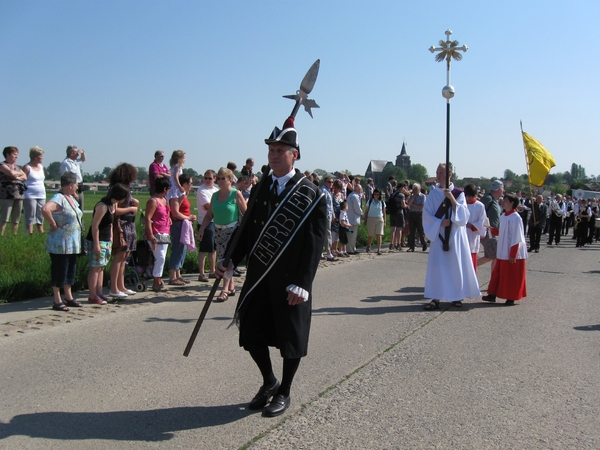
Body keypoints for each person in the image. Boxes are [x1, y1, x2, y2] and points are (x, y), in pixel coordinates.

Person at [216, 116, 326, 418]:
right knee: (251, 332)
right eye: (272, 150)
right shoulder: (262, 185)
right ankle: (269, 381)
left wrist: (303, 282)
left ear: (295, 155)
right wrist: (229, 260)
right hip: (260, 273)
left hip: (291, 279)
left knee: (290, 338)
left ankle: (285, 391)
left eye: (281, 150)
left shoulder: (311, 193)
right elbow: (248, 229)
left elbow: (315, 243)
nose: (275, 155)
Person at [422, 163, 480, 310]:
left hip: (455, 235)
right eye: (437, 172)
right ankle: (436, 297)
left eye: (441, 172)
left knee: (455, 265)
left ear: (449, 175)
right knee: (438, 267)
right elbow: (427, 215)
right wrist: (440, 222)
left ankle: (457, 296)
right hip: (439, 235)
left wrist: (451, 199)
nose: (438, 175)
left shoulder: (458, 193)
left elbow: (463, 216)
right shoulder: (433, 194)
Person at [198, 168, 247, 301]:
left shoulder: (236, 194)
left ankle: (224, 290)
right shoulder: (215, 195)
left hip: (232, 231)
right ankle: (231, 287)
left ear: (230, 180)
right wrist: (202, 229)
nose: (219, 181)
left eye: (222, 178)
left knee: (227, 261)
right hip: (218, 231)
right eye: (218, 178)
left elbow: (246, 213)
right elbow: (209, 215)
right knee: (222, 259)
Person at [41, 172, 84, 311]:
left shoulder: (70, 197)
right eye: (76, 184)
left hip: (72, 243)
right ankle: (57, 299)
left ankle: (68, 296)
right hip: (60, 243)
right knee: (60, 269)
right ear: (70, 185)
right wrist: (53, 224)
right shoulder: (59, 198)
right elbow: (45, 209)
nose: (77, 187)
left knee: (70, 269)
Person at [86, 184, 129, 305]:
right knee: (95, 268)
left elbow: (110, 225)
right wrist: (96, 244)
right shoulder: (102, 206)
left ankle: (99, 292)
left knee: (101, 267)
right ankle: (92, 294)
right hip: (97, 240)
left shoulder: (112, 206)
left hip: (106, 240)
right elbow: (95, 226)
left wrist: (110, 239)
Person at [482, 194, 527, 305]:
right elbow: (504, 232)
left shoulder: (516, 217)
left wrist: (513, 253)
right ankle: (492, 294)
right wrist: (493, 230)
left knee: (511, 276)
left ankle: (511, 297)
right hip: (503, 250)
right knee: (498, 273)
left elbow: (517, 237)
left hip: (511, 251)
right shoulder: (504, 216)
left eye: (506, 200)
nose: (503, 202)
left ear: (512, 203)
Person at [108, 163, 140, 298]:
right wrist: (131, 209)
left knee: (125, 257)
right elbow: (114, 210)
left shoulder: (127, 188)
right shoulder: (117, 189)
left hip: (129, 224)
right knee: (119, 257)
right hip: (122, 224)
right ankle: (114, 287)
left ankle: (121, 285)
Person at [168, 173, 197, 286]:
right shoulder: (176, 195)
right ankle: (172, 276)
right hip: (178, 225)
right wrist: (188, 217)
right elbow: (175, 212)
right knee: (177, 248)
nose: (191, 185)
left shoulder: (183, 194)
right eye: (190, 183)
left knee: (182, 250)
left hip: (184, 224)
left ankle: (178, 274)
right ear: (184, 184)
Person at [145, 177, 172, 291]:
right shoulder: (153, 201)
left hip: (165, 232)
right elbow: (147, 218)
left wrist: (169, 219)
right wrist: (150, 234)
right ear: (165, 188)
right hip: (155, 233)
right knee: (159, 257)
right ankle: (157, 280)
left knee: (162, 257)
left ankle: (158, 279)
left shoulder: (164, 200)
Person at [196, 170, 219, 282]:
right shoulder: (201, 190)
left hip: (215, 221)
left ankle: (212, 271)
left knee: (213, 248)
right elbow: (207, 206)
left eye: (210, 178)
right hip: (205, 221)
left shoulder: (216, 189)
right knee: (204, 249)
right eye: (206, 178)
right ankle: (201, 273)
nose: (207, 180)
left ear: (214, 178)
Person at [0, 146, 27, 235]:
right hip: (7, 195)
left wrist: (16, 176)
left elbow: (25, 177)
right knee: (5, 217)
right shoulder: (2, 165)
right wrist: (18, 175)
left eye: (17, 155)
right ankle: (1, 235)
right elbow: (10, 173)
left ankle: (14, 234)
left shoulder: (17, 167)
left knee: (16, 218)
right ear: (7, 154)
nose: (16, 156)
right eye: (14, 154)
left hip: (19, 194)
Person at [478, 180, 503, 270]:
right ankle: (494, 280)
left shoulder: (493, 199)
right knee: (496, 256)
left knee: (488, 257)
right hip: (489, 232)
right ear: (499, 189)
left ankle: (467, 268)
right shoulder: (488, 198)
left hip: (493, 232)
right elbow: (478, 211)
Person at [22, 146, 47, 235]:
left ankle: (41, 231)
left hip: (41, 194)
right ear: (35, 157)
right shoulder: (27, 167)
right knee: (31, 213)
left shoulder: (41, 167)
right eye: (41, 156)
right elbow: (22, 179)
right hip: (30, 194)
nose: (42, 158)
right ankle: (30, 232)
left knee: (41, 213)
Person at [464, 183, 487, 272]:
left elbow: (482, 221)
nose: (468, 198)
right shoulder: (462, 205)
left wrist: (472, 225)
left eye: (471, 196)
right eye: (467, 196)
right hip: (463, 233)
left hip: (473, 235)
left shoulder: (480, 206)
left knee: (472, 262)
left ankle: (471, 284)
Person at [59, 145, 86, 210]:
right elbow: (66, 179)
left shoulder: (75, 162)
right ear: (71, 154)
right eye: (77, 153)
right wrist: (73, 193)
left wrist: (82, 153)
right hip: (72, 189)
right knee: (73, 209)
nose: (78, 155)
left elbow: (83, 159)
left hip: (79, 187)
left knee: (80, 210)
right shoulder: (66, 163)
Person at [364, 188, 386, 255]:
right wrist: (365, 220)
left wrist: (385, 221)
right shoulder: (370, 201)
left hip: (379, 219)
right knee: (371, 234)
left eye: (378, 194)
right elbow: (366, 211)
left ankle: (379, 249)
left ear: (379, 195)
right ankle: (369, 245)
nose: (376, 195)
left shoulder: (382, 202)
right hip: (371, 219)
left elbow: (384, 212)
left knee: (379, 234)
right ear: (373, 194)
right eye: (375, 194)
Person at [320, 176, 337, 261]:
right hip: (325, 215)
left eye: (332, 182)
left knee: (324, 233)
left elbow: (330, 206)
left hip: (329, 215)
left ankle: (321, 252)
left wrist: (333, 216)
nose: (331, 184)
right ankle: (329, 253)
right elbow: (322, 205)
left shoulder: (328, 191)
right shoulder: (323, 190)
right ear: (325, 182)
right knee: (327, 234)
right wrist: (326, 214)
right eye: (329, 182)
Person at [406, 183, 426, 252]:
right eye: (414, 189)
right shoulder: (411, 196)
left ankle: (424, 243)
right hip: (412, 214)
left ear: (419, 189)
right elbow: (408, 204)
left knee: (420, 230)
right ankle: (412, 246)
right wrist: (414, 197)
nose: (415, 191)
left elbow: (421, 206)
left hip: (419, 214)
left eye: (416, 189)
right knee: (412, 231)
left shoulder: (423, 196)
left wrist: (413, 205)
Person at [387, 181, 407, 251]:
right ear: (401, 188)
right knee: (399, 229)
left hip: (392, 213)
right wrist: (407, 205)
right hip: (399, 213)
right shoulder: (402, 195)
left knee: (393, 229)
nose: (404, 189)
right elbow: (403, 205)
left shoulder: (392, 194)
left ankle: (391, 244)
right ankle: (398, 244)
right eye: (404, 188)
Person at [346, 184, 363, 254]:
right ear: (357, 189)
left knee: (351, 235)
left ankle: (352, 248)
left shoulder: (351, 195)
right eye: (360, 189)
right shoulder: (355, 196)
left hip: (350, 217)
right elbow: (357, 209)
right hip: (353, 218)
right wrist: (362, 213)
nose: (360, 191)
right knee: (352, 235)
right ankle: (350, 249)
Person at [330, 180, 344, 256]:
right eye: (336, 187)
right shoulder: (332, 195)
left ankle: (336, 248)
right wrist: (333, 217)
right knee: (333, 233)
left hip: (340, 215)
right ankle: (332, 249)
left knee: (338, 232)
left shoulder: (341, 195)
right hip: (334, 215)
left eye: (339, 187)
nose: (337, 189)